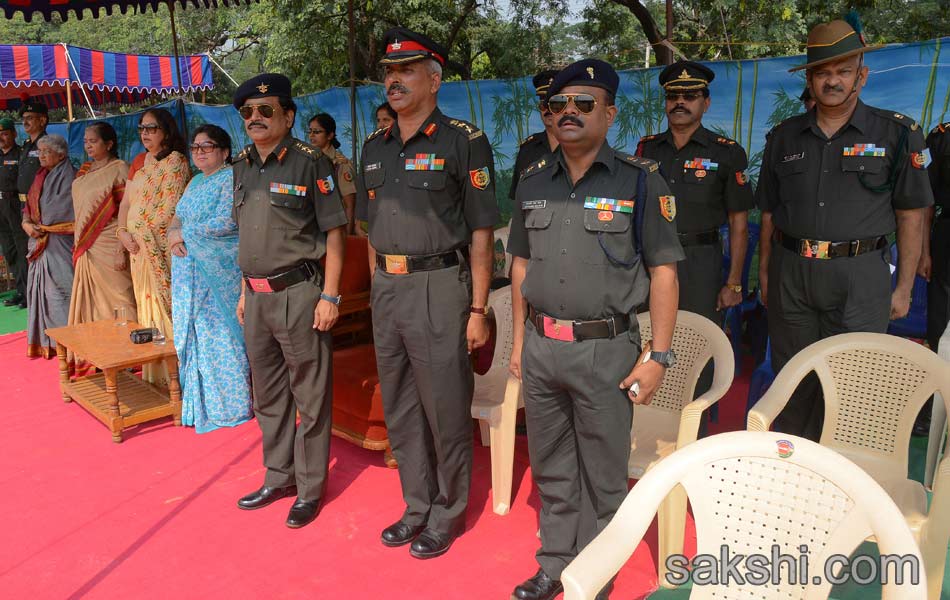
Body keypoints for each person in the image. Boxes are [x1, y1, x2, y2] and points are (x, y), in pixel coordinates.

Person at [507, 59, 684, 600]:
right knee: (552, 469)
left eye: (584, 104)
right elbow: (518, 266)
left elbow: (664, 271)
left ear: (609, 113)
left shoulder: (640, 180)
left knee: (605, 476)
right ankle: (554, 563)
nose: (569, 113)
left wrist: (658, 356)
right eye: (559, 105)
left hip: (606, 351)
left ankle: (596, 574)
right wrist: (517, 345)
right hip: (541, 349)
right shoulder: (533, 180)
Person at [356, 28, 498, 559]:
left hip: (441, 286)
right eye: (390, 73)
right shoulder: (375, 146)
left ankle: (447, 511)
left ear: (434, 80)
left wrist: (478, 308)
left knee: (444, 406)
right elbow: (369, 228)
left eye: (407, 70)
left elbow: (482, 231)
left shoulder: (463, 141)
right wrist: (376, 284)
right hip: (388, 290)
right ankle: (415, 506)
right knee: (400, 406)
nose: (394, 79)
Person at [756, 17, 933, 440]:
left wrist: (904, 287)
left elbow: (912, 214)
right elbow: (769, 213)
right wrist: (765, 276)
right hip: (792, 273)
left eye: (843, 71)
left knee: (852, 386)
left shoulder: (897, 133)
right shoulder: (783, 136)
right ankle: (791, 472)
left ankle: (838, 485)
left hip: (861, 277)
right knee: (792, 382)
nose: (832, 81)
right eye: (822, 73)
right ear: (811, 79)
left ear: (862, 75)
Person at [232, 73, 347, 529]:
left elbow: (334, 232)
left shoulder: (311, 163)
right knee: (269, 396)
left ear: (288, 115)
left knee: (310, 396)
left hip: (299, 294)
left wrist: (330, 295)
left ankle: (310, 487)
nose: (255, 119)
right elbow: (246, 234)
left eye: (265, 111)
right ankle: (278, 476)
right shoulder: (241, 165)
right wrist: (244, 293)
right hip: (256, 300)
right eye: (247, 113)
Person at [636, 60, 755, 414]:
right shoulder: (647, 150)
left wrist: (734, 282)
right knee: (648, 341)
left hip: (700, 263)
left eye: (690, 95)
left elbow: (738, 224)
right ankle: (646, 422)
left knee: (695, 346)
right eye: (673, 96)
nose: (680, 102)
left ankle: (693, 430)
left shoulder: (725, 152)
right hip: (651, 261)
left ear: (706, 103)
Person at [169, 124, 252, 434]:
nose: (199, 152)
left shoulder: (230, 178)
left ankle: (231, 407)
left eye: (207, 146)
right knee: (197, 336)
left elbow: (228, 221)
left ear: (225, 151)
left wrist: (183, 235)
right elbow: (178, 216)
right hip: (189, 271)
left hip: (218, 273)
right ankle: (198, 405)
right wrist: (174, 233)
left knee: (220, 336)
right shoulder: (194, 182)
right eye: (195, 147)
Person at [116, 108, 190, 384]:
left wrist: (142, 235)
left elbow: (171, 208)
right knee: (144, 306)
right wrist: (123, 233)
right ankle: (153, 374)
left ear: (166, 131)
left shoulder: (176, 162)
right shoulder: (140, 161)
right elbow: (126, 204)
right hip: (137, 251)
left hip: (156, 247)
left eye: (151, 128)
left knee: (163, 306)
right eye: (141, 129)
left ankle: (174, 377)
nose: (145, 134)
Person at [67, 122, 137, 373]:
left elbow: (126, 212)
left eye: (93, 141)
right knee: (94, 300)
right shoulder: (84, 171)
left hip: (110, 242)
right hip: (87, 245)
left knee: (121, 296)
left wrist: (121, 247)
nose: (88, 145)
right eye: (85, 141)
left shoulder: (120, 169)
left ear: (109, 144)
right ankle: (103, 349)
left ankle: (132, 352)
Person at [22, 134, 76, 358]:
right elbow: (29, 206)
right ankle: (48, 341)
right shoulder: (40, 175)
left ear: (61, 154)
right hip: (39, 240)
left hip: (59, 242)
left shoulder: (69, 175)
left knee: (60, 293)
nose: (41, 155)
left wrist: (39, 225)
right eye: (40, 151)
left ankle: (70, 343)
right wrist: (26, 223)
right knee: (42, 292)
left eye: (46, 152)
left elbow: (60, 209)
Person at [15, 99, 49, 310]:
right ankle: (27, 293)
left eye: (30, 118)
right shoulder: (27, 146)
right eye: (24, 119)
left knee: (41, 252)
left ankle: (41, 296)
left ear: (43, 120)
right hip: (22, 207)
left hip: (40, 207)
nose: (25, 122)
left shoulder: (47, 144)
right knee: (23, 251)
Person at [509, 70, 559, 202]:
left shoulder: (581, 147)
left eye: (554, 104)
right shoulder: (528, 148)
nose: (547, 110)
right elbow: (518, 200)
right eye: (543, 105)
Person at [308, 113, 358, 234]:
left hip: (333, 230)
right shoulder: (308, 160)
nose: (311, 136)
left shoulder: (340, 164)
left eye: (317, 132)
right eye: (310, 131)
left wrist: (347, 239)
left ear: (330, 135)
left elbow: (349, 205)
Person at [0, 118, 27, 308]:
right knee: (9, 250)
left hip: (15, 204)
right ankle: (19, 290)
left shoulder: (21, 154)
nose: (1, 138)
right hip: (0, 206)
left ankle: (27, 293)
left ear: (14, 134)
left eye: (4, 133)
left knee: (21, 247)